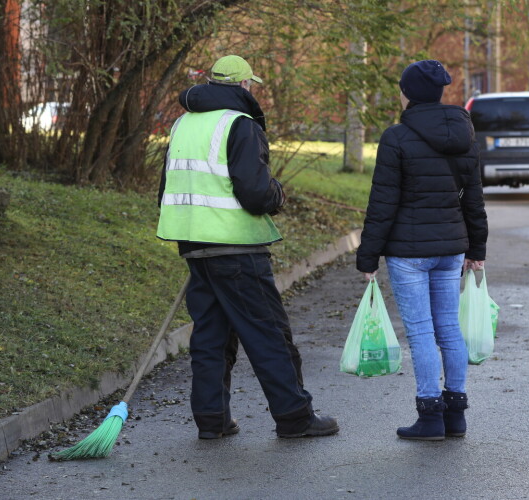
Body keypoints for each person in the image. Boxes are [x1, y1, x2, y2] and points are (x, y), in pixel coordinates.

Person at [157, 55, 338, 439]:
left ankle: (212, 421)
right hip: (236, 248)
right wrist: (277, 194)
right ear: (243, 86)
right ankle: (295, 417)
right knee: (268, 333)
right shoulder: (239, 125)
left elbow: (168, 188)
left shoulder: (181, 124)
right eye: (250, 85)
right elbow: (255, 193)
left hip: (194, 245)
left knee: (210, 337)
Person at [356, 60, 487, 441]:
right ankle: (456, 414)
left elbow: (383, 203)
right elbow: (474, 199)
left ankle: (430, 416)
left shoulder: (396, 137)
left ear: (409, 92)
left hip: (409, 253)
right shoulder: (464, 131)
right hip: (451, 249)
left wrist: (368, 257)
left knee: (421, 332)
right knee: (448, 327)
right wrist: (476, 248)